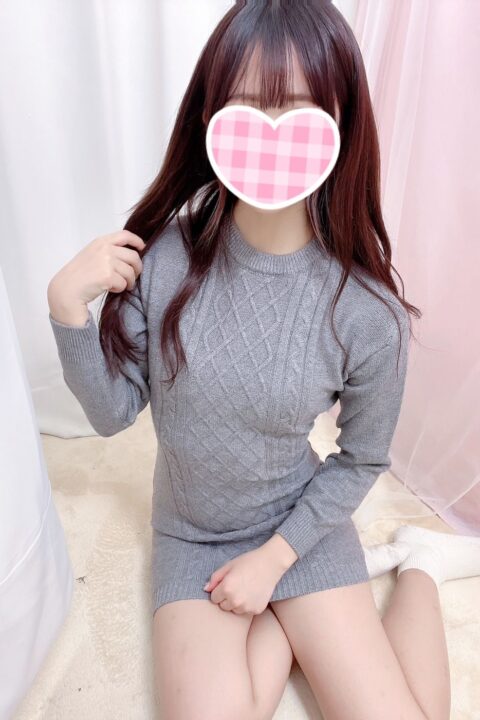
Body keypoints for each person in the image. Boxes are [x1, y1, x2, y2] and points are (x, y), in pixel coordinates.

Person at [47, 2, 480, 719]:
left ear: (341, 124)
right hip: (192, 533)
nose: (270, 129)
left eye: (300, 110)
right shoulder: (164, 260)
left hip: (298, 530)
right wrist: (67, 309)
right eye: (246, 105)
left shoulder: (365, 311)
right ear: (210, 116)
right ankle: (291, 626)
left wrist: (275, 562)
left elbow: (362, 459)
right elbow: (113, 413)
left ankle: (422, 567)